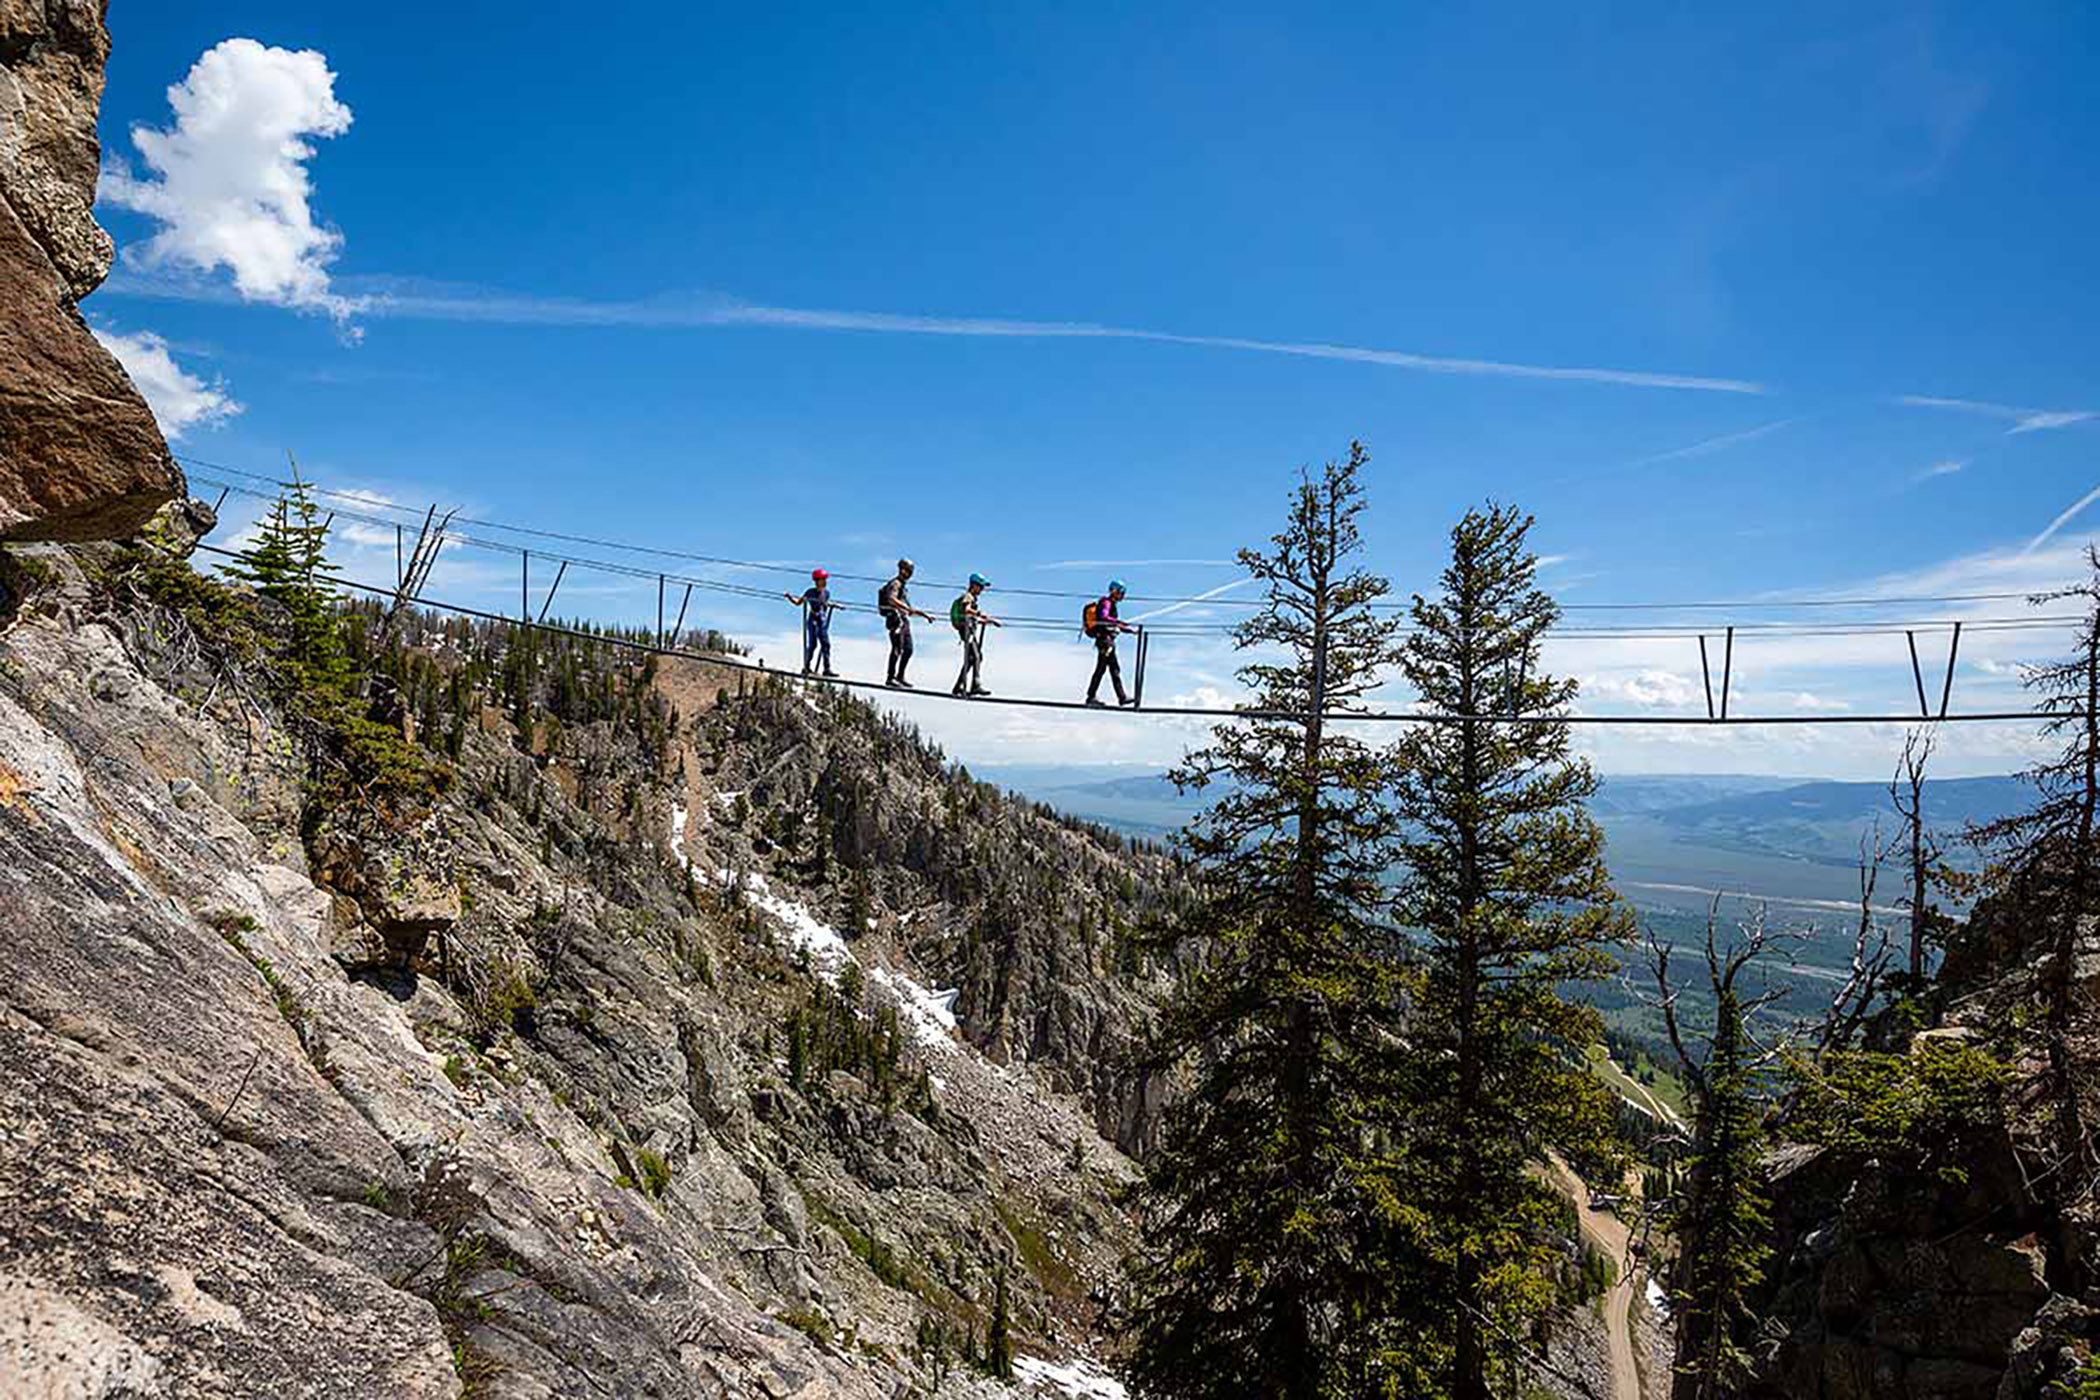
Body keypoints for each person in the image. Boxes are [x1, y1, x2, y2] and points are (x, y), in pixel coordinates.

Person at [878, 557, 934, 688]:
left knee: (908, 649)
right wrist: (905, 607)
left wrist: (924, 615)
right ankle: (890, 677)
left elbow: (909, 610)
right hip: (895, 620)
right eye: (908, 570)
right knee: (897, 648)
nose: (910, 574)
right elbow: (891, 599)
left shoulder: (904, 587)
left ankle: (900, 676)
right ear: (902, 570)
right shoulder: (895, 583)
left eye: (911, 571)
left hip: (904, 621)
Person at [1085, 578, 1138, 707]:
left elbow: (1113, 624)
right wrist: (1119, 623)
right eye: (1121, 592)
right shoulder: (1107, 603)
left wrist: (1128, 629)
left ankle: (1119, 697)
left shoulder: (1110, 604)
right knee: (1106, 669)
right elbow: (1104, 617)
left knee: (1109, 669)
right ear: (1115, 591)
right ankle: (1094, 697)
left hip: (1106, 641)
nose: (1123, 595)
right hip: (1105, 641)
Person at [949, 573, 1002, 696]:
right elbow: (967, 610)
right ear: (974, 585)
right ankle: (975, 685)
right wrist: (980, 614)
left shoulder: (971, 598)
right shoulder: (969, 596)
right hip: (966, 630)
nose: (982, 590)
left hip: (968, 630)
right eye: (981, 586)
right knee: (977, 657)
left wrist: (989, 621)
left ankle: (958, 686)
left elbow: (972, 616)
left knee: (972, 659)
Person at [784, 568, 837, 677]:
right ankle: (806, 667)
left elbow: (824, 605)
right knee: (813, 644)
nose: (825, 582)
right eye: (823, 579)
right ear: (817, 581)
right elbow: (798, 602)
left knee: (826, 644)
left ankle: (827, 669)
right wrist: (789, 597)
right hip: (813, 619)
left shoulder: (826, 593)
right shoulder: (810, 592)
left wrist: (831, 606)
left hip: (821, 619)